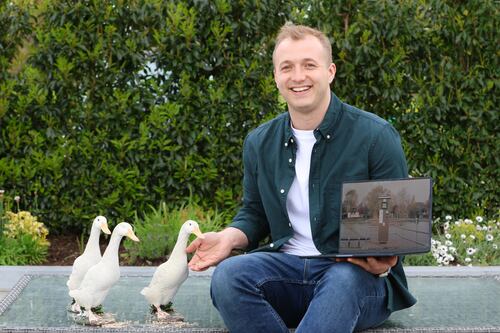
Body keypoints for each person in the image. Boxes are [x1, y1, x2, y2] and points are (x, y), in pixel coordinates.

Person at [186, 22, 416, 333]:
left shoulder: (375, 136)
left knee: (342, 281)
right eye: (287, 67)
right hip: (286, 270)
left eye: (309, 65)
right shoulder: (259, 142)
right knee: (229, 276)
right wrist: (229, 237)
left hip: (354, 278)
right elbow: (253, 215)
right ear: (276, 77)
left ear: (330, 71)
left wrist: (386, 257)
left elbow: (394, 230)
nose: (298, 77)